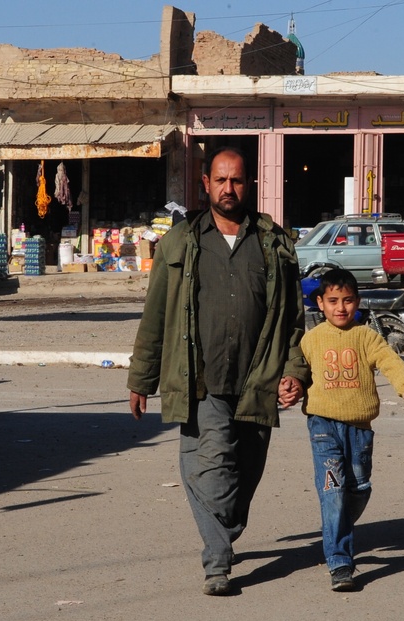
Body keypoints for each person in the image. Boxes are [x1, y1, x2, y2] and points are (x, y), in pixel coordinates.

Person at [127, 146, 309, 596]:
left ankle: (224, 529)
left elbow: (293, 318)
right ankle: (217, 561)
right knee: (212, 465)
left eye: (237, 180)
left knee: (245, 472)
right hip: (200, 379)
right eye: (221, 180)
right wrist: (141, 379)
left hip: (258, 379)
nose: (229, 189)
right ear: (206, 184)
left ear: (250, 185)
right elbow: (155, 315)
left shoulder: (274, 243)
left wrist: (295, 371)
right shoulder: (180, 241)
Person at [300, 268, 404, 591]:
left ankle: (337, 525)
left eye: (347, 300)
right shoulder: (311, 339)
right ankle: (340, 562)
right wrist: (286, 387)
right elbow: (296, 371)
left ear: (357, 302)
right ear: (320, 303)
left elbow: (390, 361)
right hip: (322, 424)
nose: (340, 307)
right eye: (333, 301)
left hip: (359, 428)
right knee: (333, 491)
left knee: (359, 487)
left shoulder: (367, 337)